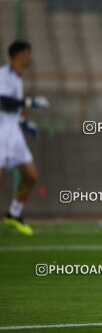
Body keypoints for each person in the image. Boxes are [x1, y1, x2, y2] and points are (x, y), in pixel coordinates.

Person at [0, 40, 50, 236]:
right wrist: (31, 102)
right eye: (28, 53)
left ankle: (14, 214)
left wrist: (24, 123)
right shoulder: (4, 75)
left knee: (31, 176)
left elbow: (12, 110)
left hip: (14, 133)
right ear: (19, 54)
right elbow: (2, 101)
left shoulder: (18, 80)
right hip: (1, 133)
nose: (30, 58)